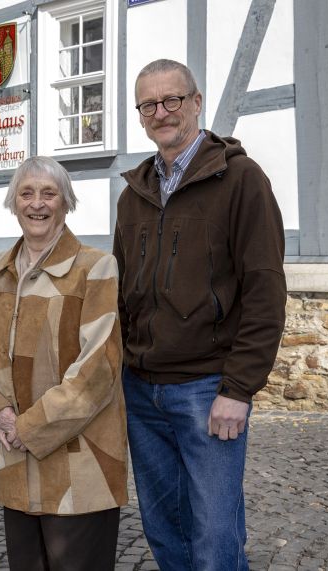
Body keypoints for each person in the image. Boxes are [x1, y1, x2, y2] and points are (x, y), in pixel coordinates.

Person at [113, 59, 287, 570]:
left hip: (207, 390)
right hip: (142, 391)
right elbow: (122, 294)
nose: (161, 112)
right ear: (140, 115)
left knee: (214, 536)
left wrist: (239, 390)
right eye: (149, 104)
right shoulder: (134, 195)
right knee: (165, 530)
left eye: (172, 100)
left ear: (196, 102)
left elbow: (265, 290)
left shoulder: (241, 180)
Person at [0, 156, 128, 571]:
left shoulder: (95, 268)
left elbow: (98, 367)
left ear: (65, 203)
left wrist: (26, 428)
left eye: (49, 193)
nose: (37, 204)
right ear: (13, 203)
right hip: (13, 464)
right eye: (26, 193)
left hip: (82, 467)